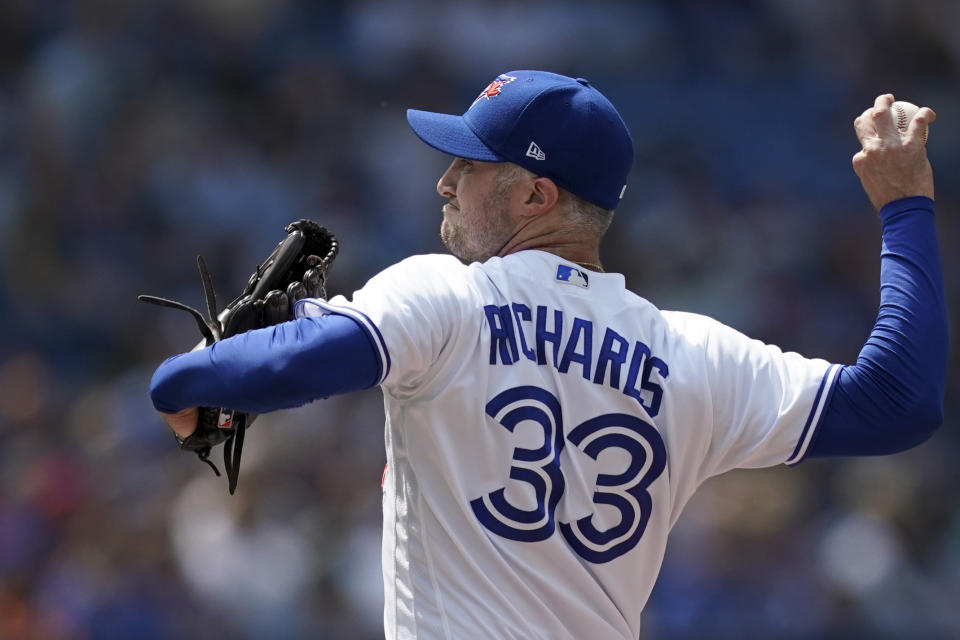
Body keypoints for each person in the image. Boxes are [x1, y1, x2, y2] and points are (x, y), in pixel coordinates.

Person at [149, 71, 947, 639]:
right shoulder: (697, 354)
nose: (445, 182)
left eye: (470, 164)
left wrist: (223, 357)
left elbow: (202, 382)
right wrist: (906, 207)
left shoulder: (450, 295)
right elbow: (898, 402)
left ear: (536, 196)